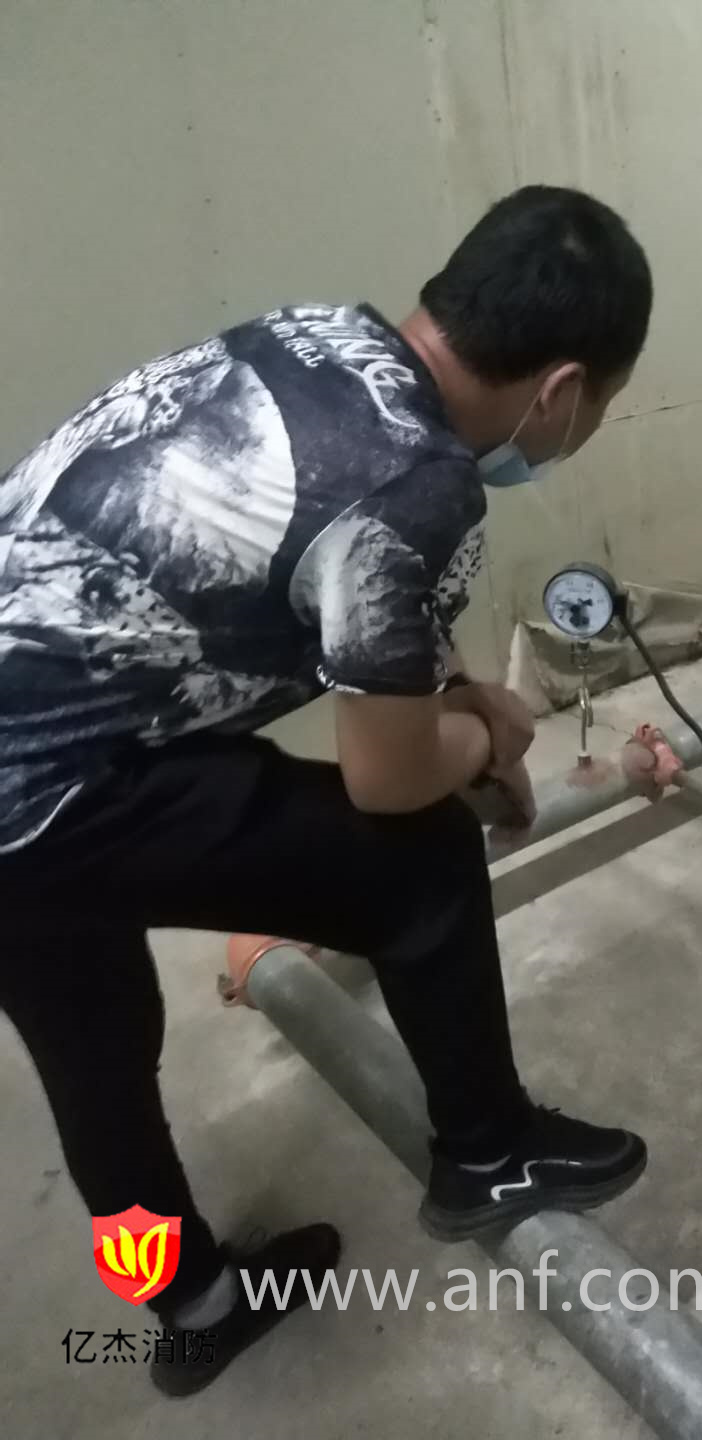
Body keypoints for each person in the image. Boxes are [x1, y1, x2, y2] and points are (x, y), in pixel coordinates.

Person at [0, 186, 654, 1395]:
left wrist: (462, 697)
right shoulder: (420, 479)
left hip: (27, 754)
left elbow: (351, 580)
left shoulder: (319, 341)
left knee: (93, 1057)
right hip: (48, 794)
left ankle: (191, 1307)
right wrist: (480, 738)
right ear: (560, 391)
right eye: (602, 407)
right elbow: (387, 776)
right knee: (418, 859)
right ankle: (489, 1150)